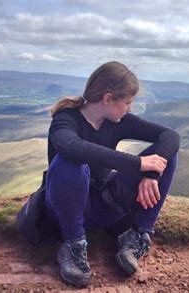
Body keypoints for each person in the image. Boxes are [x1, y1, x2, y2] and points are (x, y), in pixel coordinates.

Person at [44, 61, 179, 287]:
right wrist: (138, 164)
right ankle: (73, 244)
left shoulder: (118, 121)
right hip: (64, 210)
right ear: (108, 99)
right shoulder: (66, 119)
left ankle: (137, 235)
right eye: (126, 102)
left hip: (105, 204)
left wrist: (151, 174)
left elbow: (170, 136)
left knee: (166, 157)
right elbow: (72, 147)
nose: (129, 108)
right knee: (70, 162)